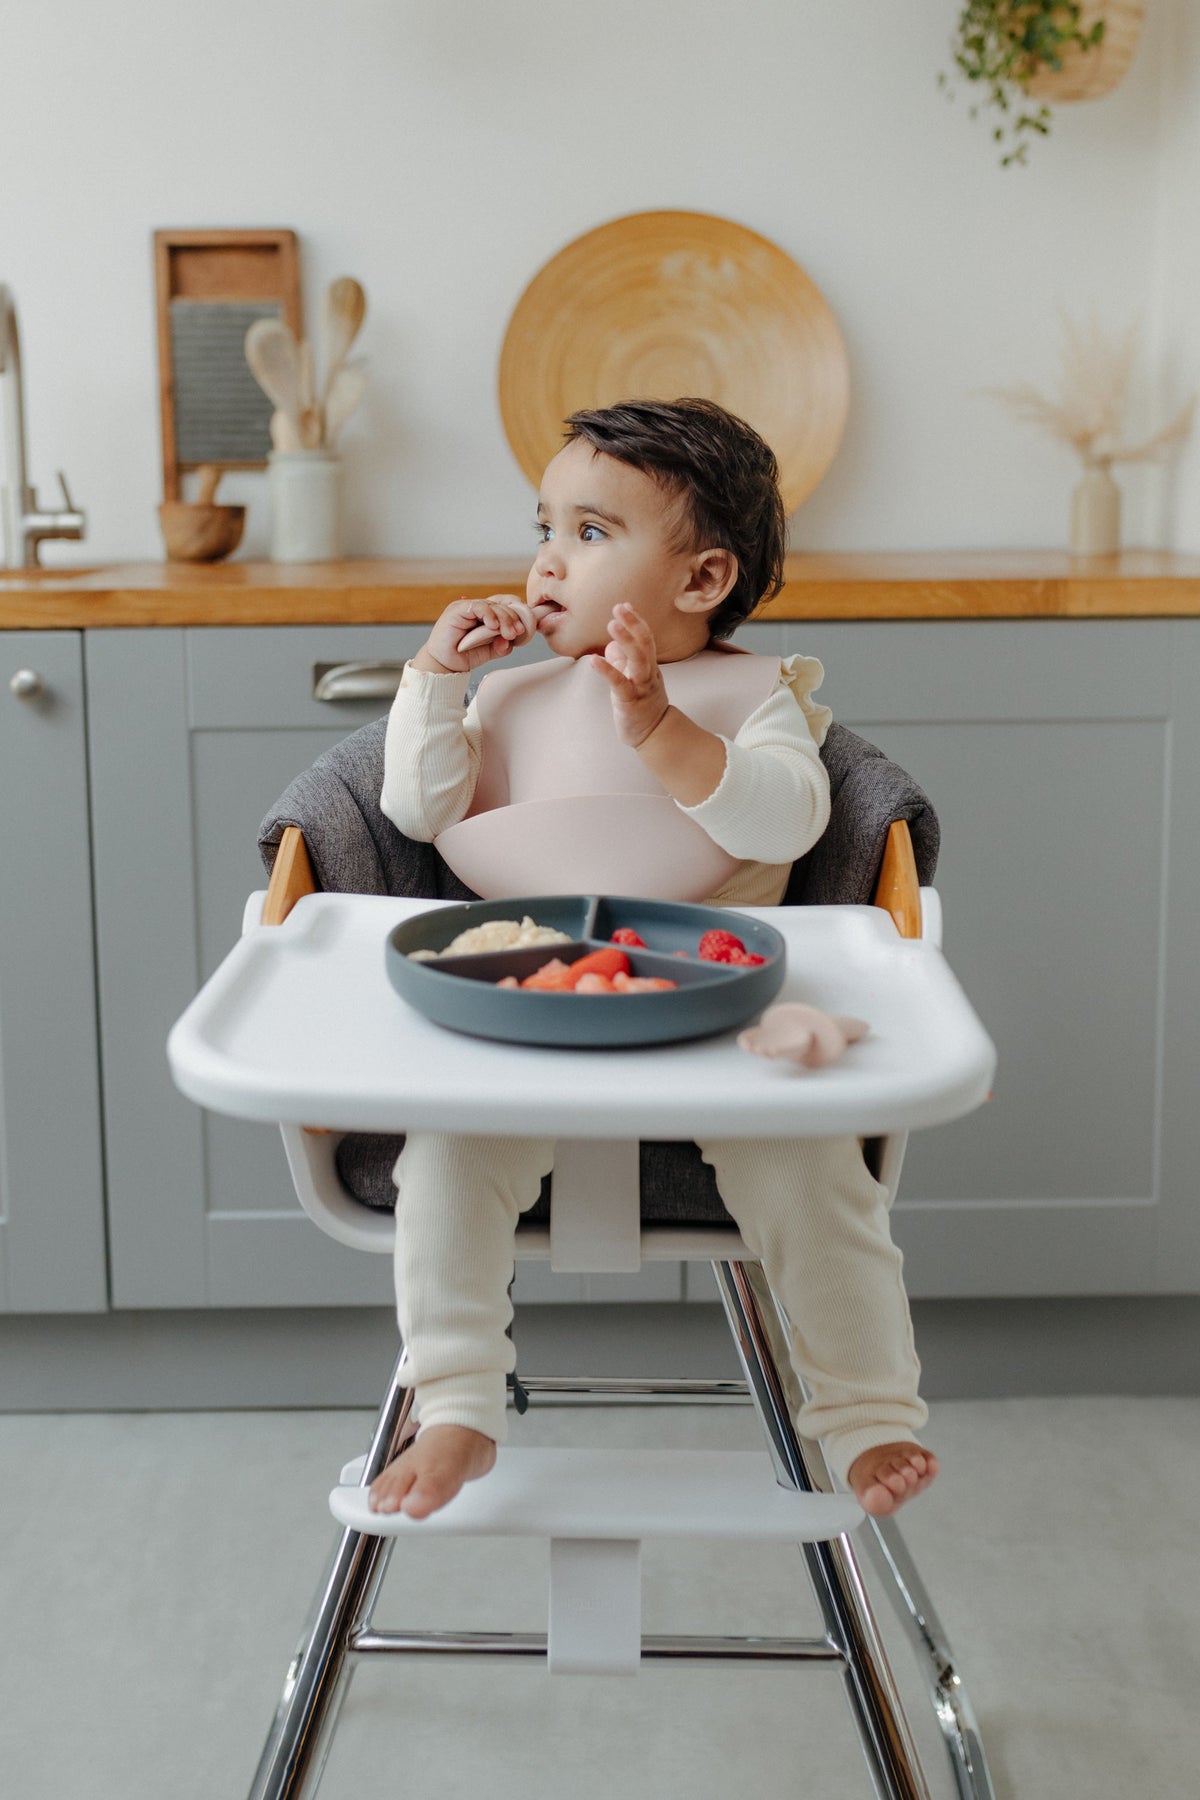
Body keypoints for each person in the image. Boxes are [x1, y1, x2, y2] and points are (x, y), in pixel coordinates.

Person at [371, 398, 937, 1523]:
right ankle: (458, 1406)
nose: (546, 563)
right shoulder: (513, 691)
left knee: (818, 1176)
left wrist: (657, 724)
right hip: (527, 995)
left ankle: (871, 1418)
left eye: (589, 535)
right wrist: (435, 680)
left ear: (700, 581)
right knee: (442, 1158)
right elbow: (415, 806)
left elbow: (782, 821)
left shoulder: (755, 697)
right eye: (543, 529)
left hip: (716, 1012)